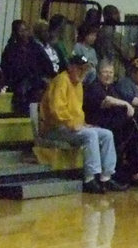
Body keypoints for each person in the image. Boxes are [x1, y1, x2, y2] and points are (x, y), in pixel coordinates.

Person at [39, 54, 126, 194]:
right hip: (55, 127)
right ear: (70, 68)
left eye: (85, 69)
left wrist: (83, 124)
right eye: (80, 68)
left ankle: (106, 177)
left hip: (71, 126)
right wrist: (73, 124)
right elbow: (57, 110)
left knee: (106, 134)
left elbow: (77, 111)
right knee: (90, 135)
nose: (83, 72)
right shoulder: (62, 80)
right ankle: (90, 178)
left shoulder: (78, 84)